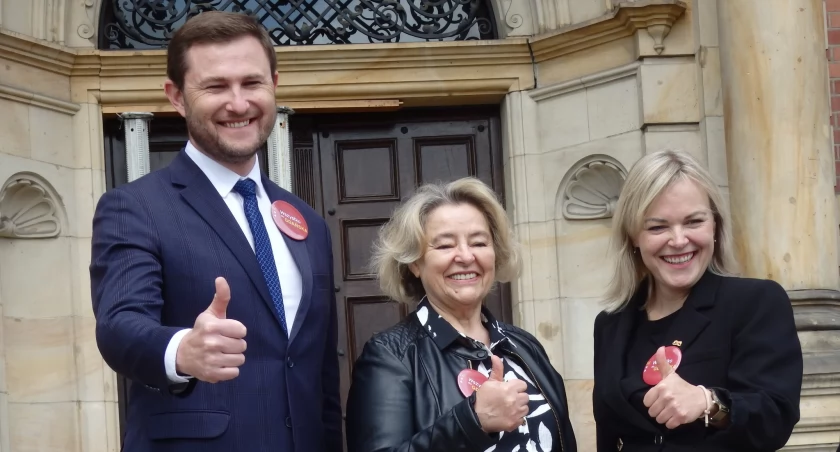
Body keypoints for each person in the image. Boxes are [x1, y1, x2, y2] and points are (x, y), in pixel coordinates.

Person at [89, 11, 341, 452]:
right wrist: (182, 350)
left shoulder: (308, 222)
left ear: (274, 84)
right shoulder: (135, 207)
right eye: (216, 86)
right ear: (177, 97)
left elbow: (320, 374)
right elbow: (120, 325)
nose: (238, 104)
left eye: (251, 83)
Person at [345, 177, 578, 452]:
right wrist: (471, 422)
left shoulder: (525, 346)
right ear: (415, 263)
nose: (466, 257)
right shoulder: (391, 356)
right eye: (445, 246)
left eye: (479, 243)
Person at [592, 150, 803, 451]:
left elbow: (775, 417)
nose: (679, 240)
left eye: (693, 222)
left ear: (714, 225)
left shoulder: (755, 303)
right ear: (634, 236)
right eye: (657, 227)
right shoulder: (610, 324)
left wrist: (708, 403)